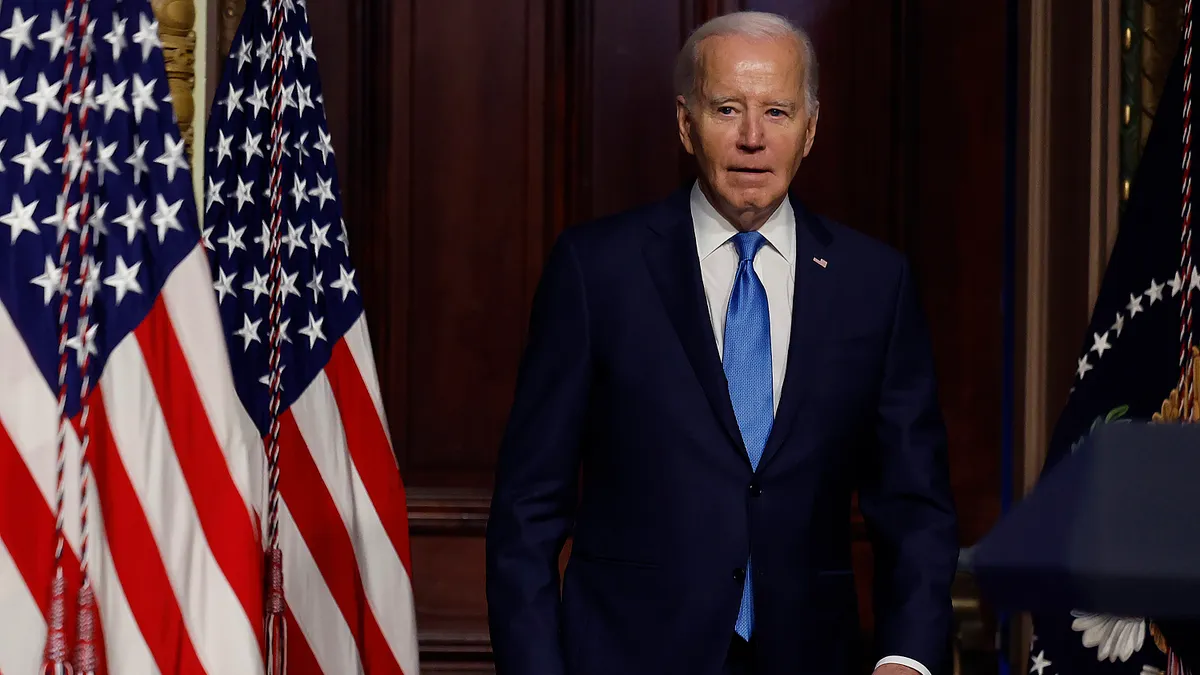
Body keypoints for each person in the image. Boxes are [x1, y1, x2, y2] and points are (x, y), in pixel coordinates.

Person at [485, 10, 959, 675]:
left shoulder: (875, 285)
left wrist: (907, 658)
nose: (752, 139)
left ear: (811, 130)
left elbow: (916, 508)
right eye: (728, 108)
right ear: (686, 123)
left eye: (778, 112)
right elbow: (527, 512)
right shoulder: (598, 272)